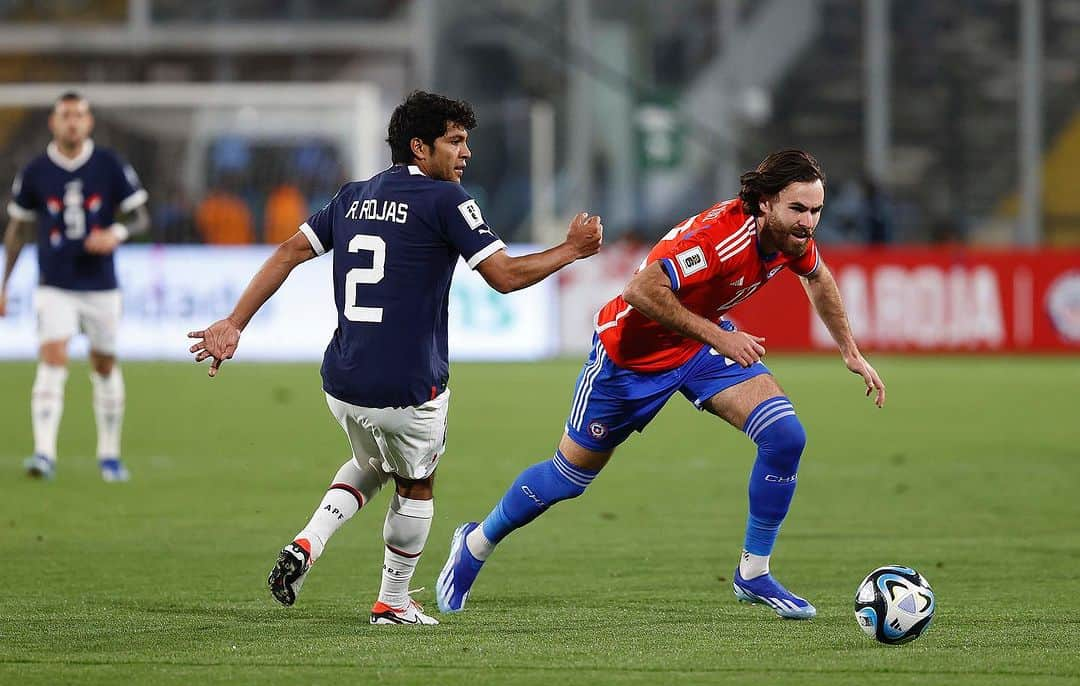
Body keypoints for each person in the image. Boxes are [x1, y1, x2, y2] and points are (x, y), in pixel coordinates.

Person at [186, 91, 603, 626]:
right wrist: (570, 250)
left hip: (342, 382)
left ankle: (308, 543)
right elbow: (503, 277)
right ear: (419, 146)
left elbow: (290, 251)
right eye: (455, 141)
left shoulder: (352, 195)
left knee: (372, 462)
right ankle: (393, 600)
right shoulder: (447, 201)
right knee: (416, 482)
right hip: (409, 387)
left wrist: (234, 322)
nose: (466, 153)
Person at [436, 149, 886, 619]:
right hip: (629, 360)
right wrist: (720, 338)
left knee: (785, 436)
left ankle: (753, 573)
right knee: (566, 479)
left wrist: (850, 351)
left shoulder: (790, 239)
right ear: (766, 203)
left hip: (697, 347)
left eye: (816, 210)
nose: (808, 222)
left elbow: (817, 277)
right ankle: (475, 542)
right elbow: (640, 291)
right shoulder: (720, 238)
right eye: (798, 209)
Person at [1, 91, 149, 482]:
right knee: (52, 357)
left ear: (89, 122)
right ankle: (44, 453)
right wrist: (4, 283)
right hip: (55, 283)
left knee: (103, 364)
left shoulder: (108, 164)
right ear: (53, 122)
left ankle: (110, 455)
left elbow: (140, 218)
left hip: (101, 285)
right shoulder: (34, 170)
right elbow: (18, 229)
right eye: (65, 115)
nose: (72, 121)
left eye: (79, 115)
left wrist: (116, 232)